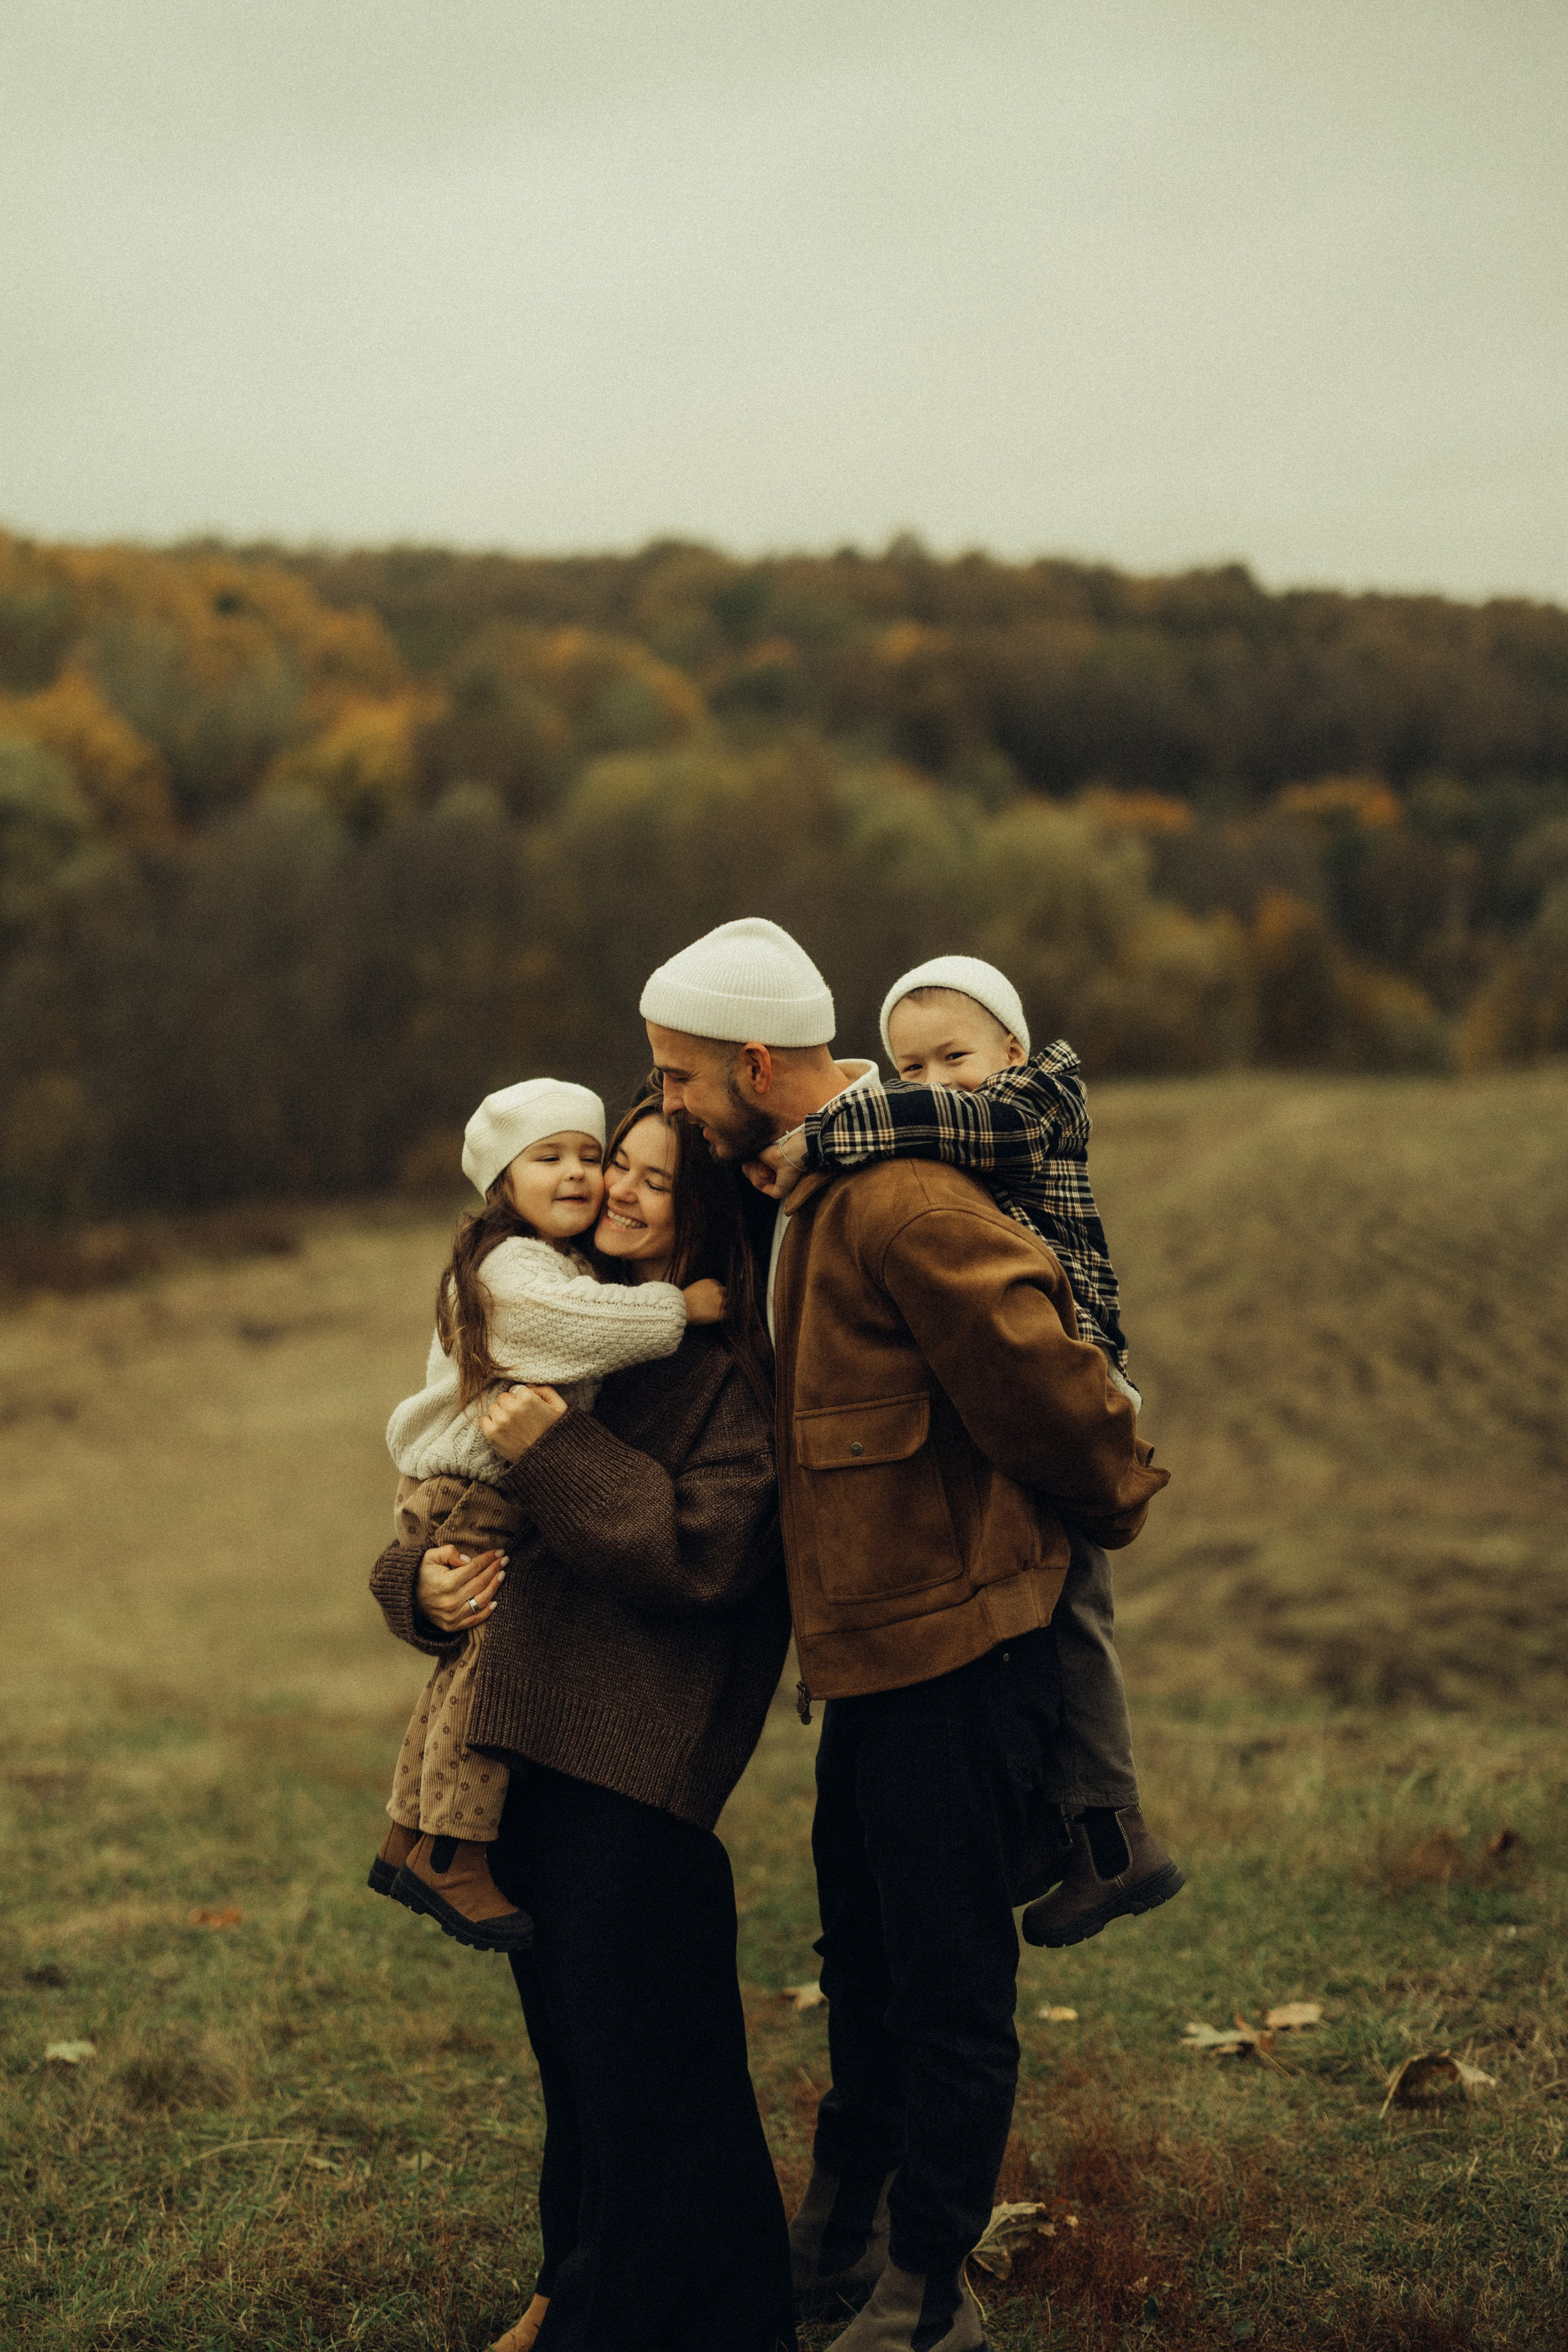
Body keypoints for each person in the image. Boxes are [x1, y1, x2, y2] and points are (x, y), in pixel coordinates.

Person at [642, 918, 1170, 2352]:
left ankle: (928, 2294)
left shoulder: (900, 1202)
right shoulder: (798, 1197)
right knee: (865, 1978)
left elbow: (1054, 1390)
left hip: (955, 1658)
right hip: (868, 1665)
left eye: (681, 1078)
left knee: (944, 1991)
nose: (671, 1107)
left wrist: (1099, 1509)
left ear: (754, 1063)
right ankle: (833, 2261)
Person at [369, 1096, 796, 2352]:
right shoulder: (570, 1336)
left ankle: (686, 2319)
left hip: (632, 1774)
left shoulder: (724, 1382)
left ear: (709, 1219)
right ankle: (574, 2286)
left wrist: (560, 1456)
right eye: (616, 1161)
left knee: (655, 2082)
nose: (617, 1188)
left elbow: (703, 1561)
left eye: (656, 1181)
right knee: (577, 2070)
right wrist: (417, 1593)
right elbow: (447, 1513)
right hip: (525, 1759)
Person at [756, 955, 1184, 1953]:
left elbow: (945, 1126)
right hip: (1055, 1360)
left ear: (1013, 1050)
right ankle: (1065, 1822)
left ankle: (1114, 1835)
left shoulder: (1036, 1106)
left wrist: (823, 1136)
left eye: (955, 1055)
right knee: (1062, 1605)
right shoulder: (944, 1124)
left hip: (1083, 1370)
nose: (935, 1082)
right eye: (910, 1066)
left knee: (1075, 1609)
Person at [370, 1076, 725, 1950]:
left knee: (473, 1656)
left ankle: (410, 1834)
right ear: (502, 1185)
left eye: (589, 1155)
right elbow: (559, 1327)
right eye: (549, 1157)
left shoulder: (562, 1266)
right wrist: (680, 1307)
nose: (586, 1176)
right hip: (473, 1494)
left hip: (482, 1504)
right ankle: (450, 1848)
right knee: (488, 1658)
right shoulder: (514, 1268)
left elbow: (687, 1556)